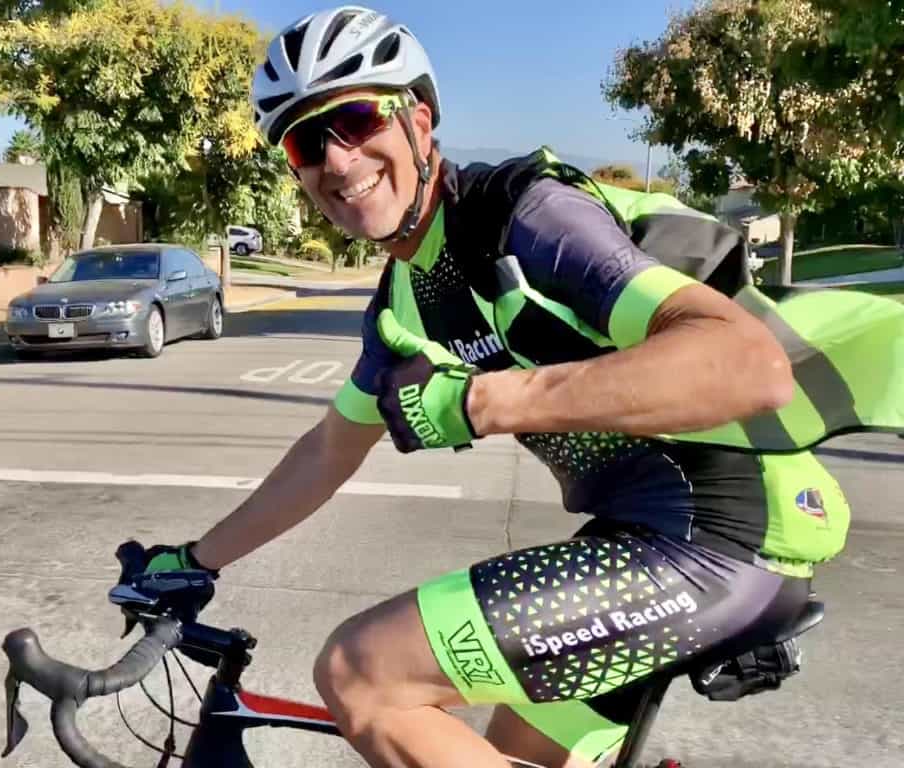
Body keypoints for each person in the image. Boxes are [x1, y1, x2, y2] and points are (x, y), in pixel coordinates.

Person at [138, 7, 854, 768]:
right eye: (306, 141)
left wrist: (484, 401)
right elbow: (327, 452)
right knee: (512, 749)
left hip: (723, 536)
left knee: (363, 676)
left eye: (354, 118)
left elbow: (749, 363)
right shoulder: (401, 305)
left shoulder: (526, 217)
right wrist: (195, 559)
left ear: (418, 118)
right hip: (638, 537)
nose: (338, 160)